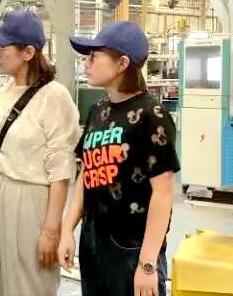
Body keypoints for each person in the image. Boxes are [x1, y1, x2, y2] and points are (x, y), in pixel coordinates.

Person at [57, 21, 180, 296]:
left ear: (122, 63)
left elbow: (163, 193)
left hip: (132, 246)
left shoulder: (152, 116)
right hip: (94, 241)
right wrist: (67, 230)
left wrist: (147, 264)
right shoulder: (97, 111)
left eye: (94, 56)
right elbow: (86, 174)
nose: (87, 63)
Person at [0, 10, 81, 296]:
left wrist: (51, 230)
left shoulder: (54, 97)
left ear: (28, 52)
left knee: (30, 284)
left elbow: (61, 170)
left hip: (31, 200)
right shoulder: (3, 93)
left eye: (2, 47)